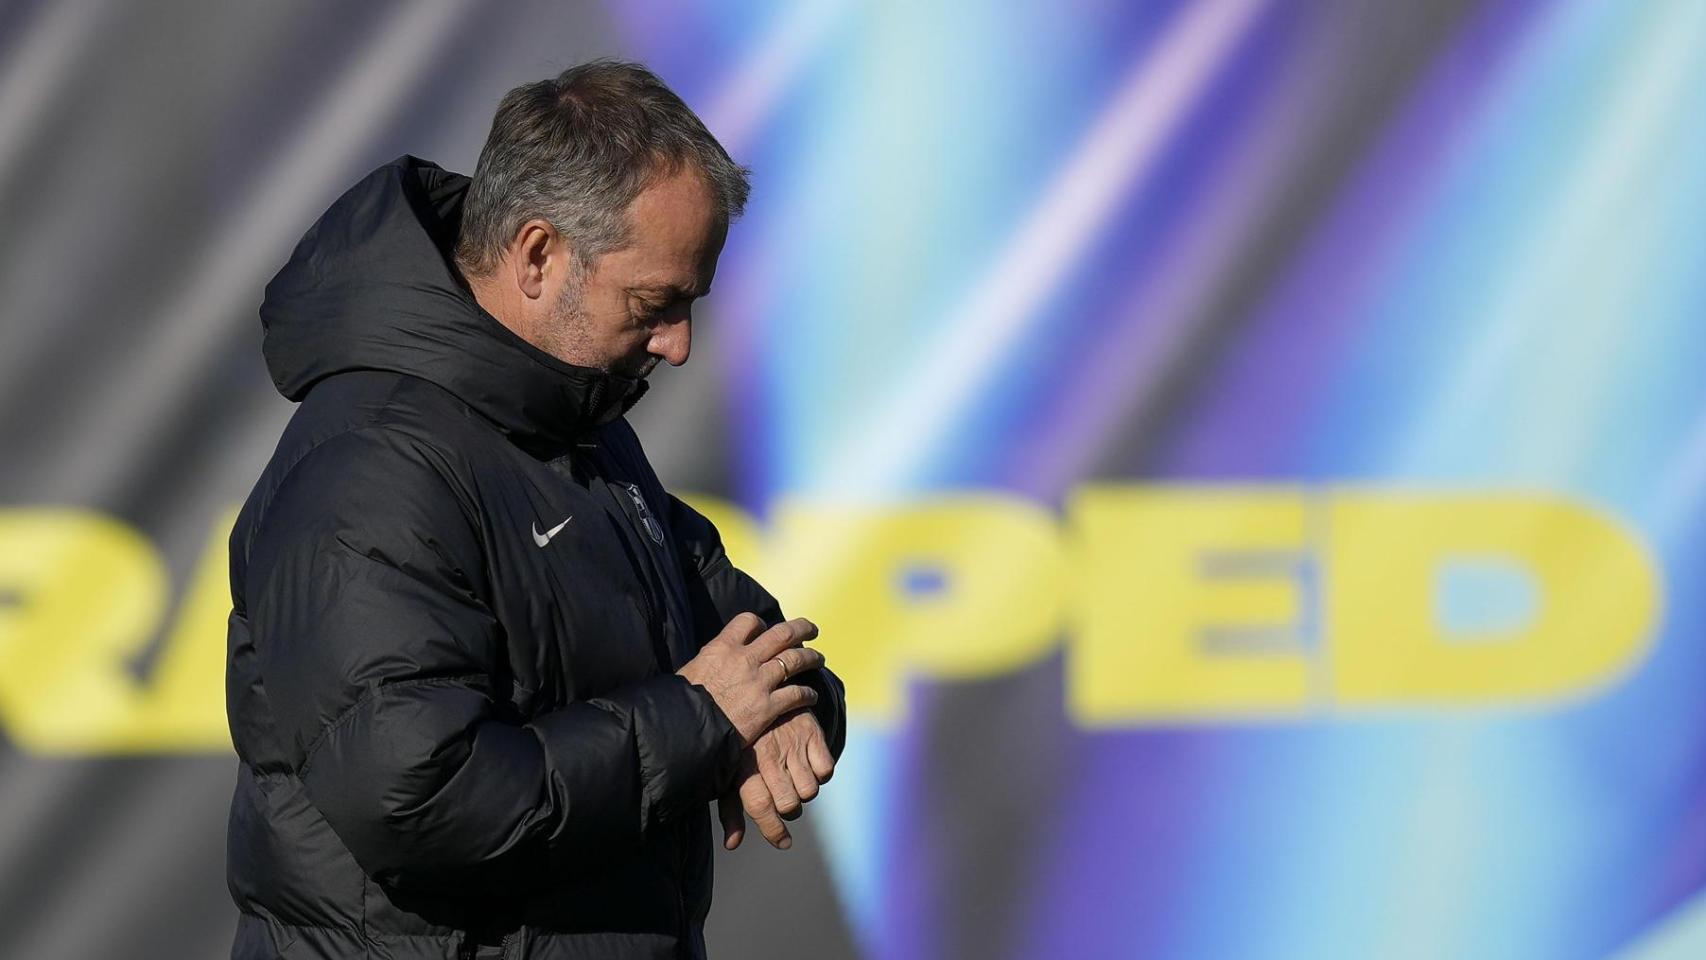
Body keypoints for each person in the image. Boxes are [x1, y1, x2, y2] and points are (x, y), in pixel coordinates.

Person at [224, 59, 846, 960]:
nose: (678, 345)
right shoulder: (370, 471)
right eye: (655, 304)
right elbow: (421, 798)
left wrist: (788, 708)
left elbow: (744, 639)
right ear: (539, 255)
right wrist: (704, 720)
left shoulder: (574, 419)